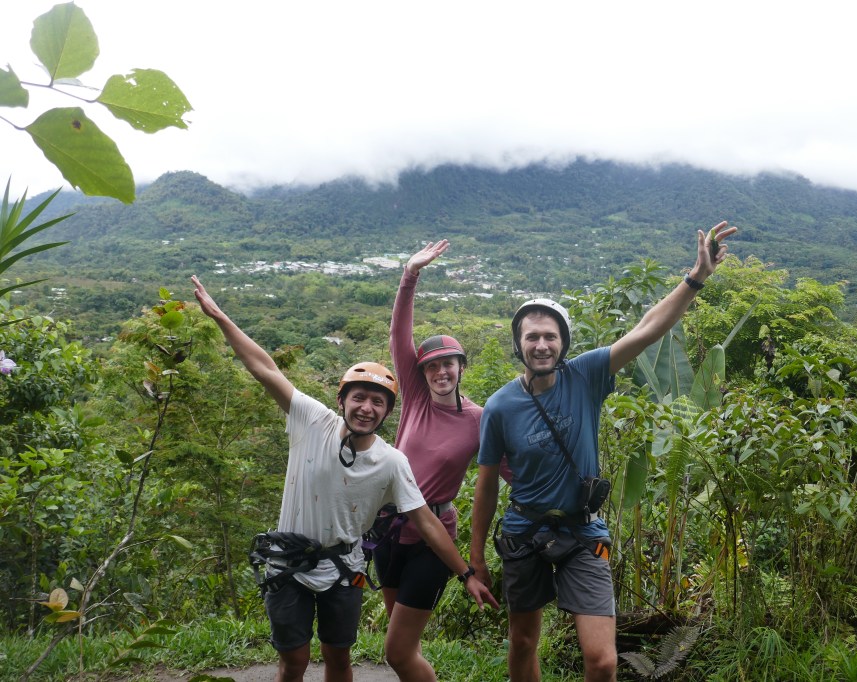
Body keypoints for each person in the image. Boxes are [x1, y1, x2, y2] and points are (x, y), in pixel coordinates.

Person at [191, 275, 498, 682]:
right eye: (359, 398)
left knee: (340, 658)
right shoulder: (313, 421)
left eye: (377, 402)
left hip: (343, 566)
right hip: (290, 563)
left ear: (388, 411)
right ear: (341, 400)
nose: (367, 408)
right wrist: (220, 318)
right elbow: (264, 368)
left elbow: (427, 520)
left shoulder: (392, 462)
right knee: (294, 662)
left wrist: (466, 572)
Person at [469, 222, 737, 682]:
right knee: (523, 642)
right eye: (531, 337)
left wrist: (696, 278)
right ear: (518, 344)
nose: (541, 345)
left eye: (550, 336)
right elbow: (487, 485)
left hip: (583, 531)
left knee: (603, 660)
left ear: (563, 342)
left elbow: (647, 330)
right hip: (524, 532)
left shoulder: (586, 374)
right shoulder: (499, 407)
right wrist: (476, 560)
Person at [374, 239, 485, 681]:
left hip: (434, 539)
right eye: (432, 367)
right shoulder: (416, 398)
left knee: (397, 651)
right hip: (388, 530)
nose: (441, 372)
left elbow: (507, 472)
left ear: (461, 367)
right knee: (404, 646)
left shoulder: (479, 419)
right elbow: (399, 337)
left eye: (449, 365)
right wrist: (410, 274)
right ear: (421, 374)